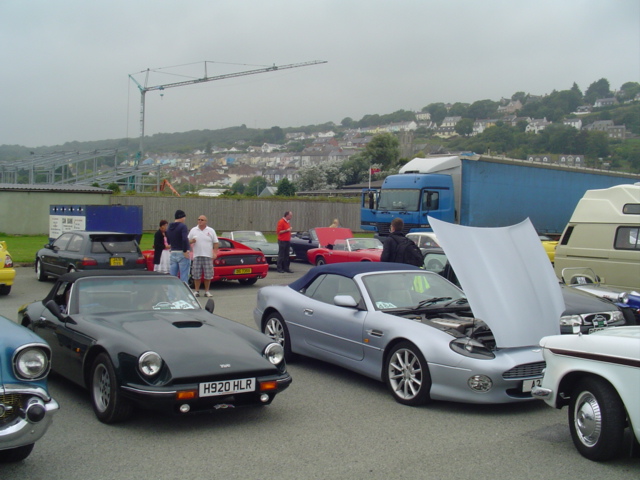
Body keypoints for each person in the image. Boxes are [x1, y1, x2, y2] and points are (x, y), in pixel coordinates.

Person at [188, 215, 219, 297]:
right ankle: (197, 291)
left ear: (206, 221)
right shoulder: (193, 230)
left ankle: (207, 291)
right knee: (196, 274)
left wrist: (215, 252)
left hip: (207, 255)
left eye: (202, 220)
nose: (200, 221)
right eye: (199, 219)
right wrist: (192, 241)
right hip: (197, 255)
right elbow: (187, 241)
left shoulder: (211, 230)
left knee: (208, 275)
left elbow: (215, 242)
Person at [166, 209, 191, 285]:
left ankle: (171, 295)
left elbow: (168, 239)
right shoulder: (183, 226)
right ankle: (184, 295)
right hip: (181, 252)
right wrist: (185, 250)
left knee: (172, 276)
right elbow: (184, 239)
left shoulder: (170, 226)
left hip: (173, 252)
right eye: (184, 217)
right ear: (182, 217)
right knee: (184, 276)